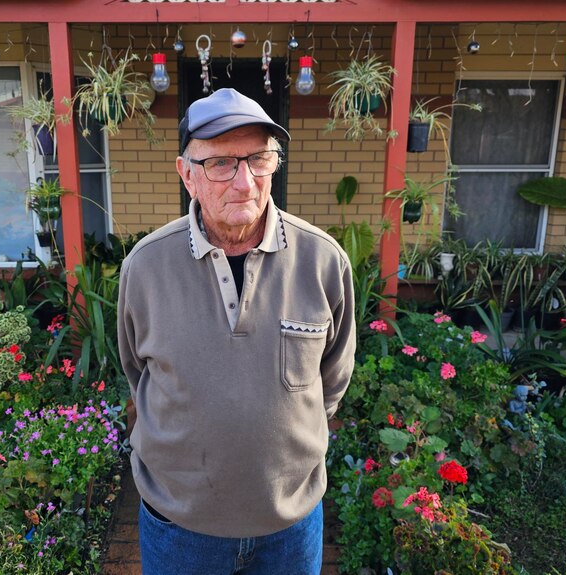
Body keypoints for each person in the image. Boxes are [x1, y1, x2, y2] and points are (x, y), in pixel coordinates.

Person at [117, 88, 356, 574]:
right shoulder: (145, 267)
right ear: (187, 174)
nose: (245, 182)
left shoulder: (323, 261)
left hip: (289, 529)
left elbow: (333, 379)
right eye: (222, 163)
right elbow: (136, 372)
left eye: (259, 159)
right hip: (180, 529)